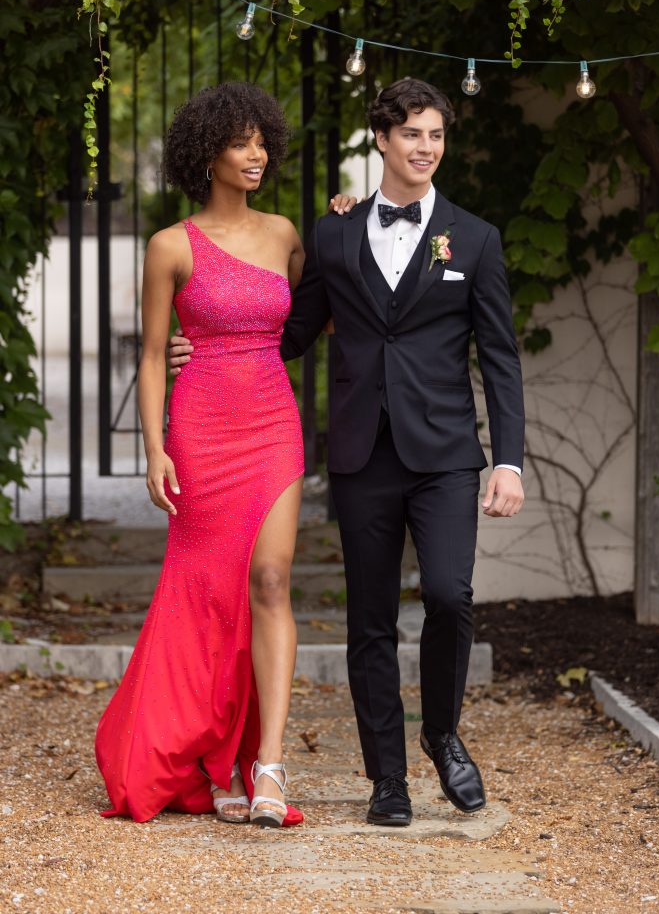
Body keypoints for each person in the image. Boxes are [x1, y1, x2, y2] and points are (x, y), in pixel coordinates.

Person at [170, 77, 525, 827]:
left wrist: (508, 460)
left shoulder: (475, 239)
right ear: (382, 140)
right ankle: (386, 780)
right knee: (368, 621)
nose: (425, 147)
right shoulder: (332, 234)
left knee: (448, 597)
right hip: (362, 454)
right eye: (411, 135)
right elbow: (289, 331)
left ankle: (440, 733)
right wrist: (202, 343)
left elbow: (499, 357)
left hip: (446, 454)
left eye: (435, 135)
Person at [95, 80, 354, 828]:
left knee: (271, 580)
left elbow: (320, 311)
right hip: (200, 430)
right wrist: (154, 449)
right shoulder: (169, 246)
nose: (257, 154)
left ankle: (266, 769)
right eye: (241, 142)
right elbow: (150, 356)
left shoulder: (284, 235)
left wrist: (342, 219)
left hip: (272, 423)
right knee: (208, 595)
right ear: (206, 153)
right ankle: (198, 752)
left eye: (262, 141)